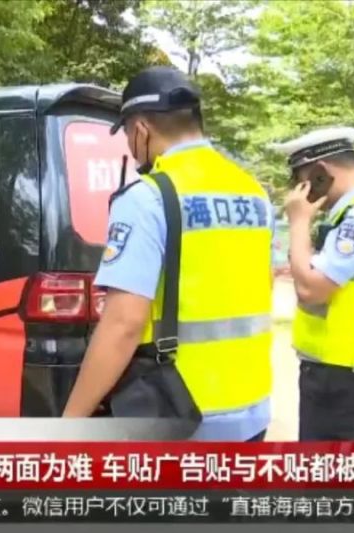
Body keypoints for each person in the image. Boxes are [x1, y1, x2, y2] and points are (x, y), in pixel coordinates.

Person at [62, 66, 276, 442]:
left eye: (128, 135)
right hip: (251, 412)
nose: (131, 148)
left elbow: (123, 324)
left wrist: (70, 422)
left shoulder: (149, 197)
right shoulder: (254, 193)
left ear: (141, 129)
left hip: (181, 415)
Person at [272, 126, 354, 441]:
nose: (297, 191)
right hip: (344, 374)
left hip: (342, 379)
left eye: (301, 181)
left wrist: (299, 221)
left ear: (321, 174)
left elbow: (310, 290)